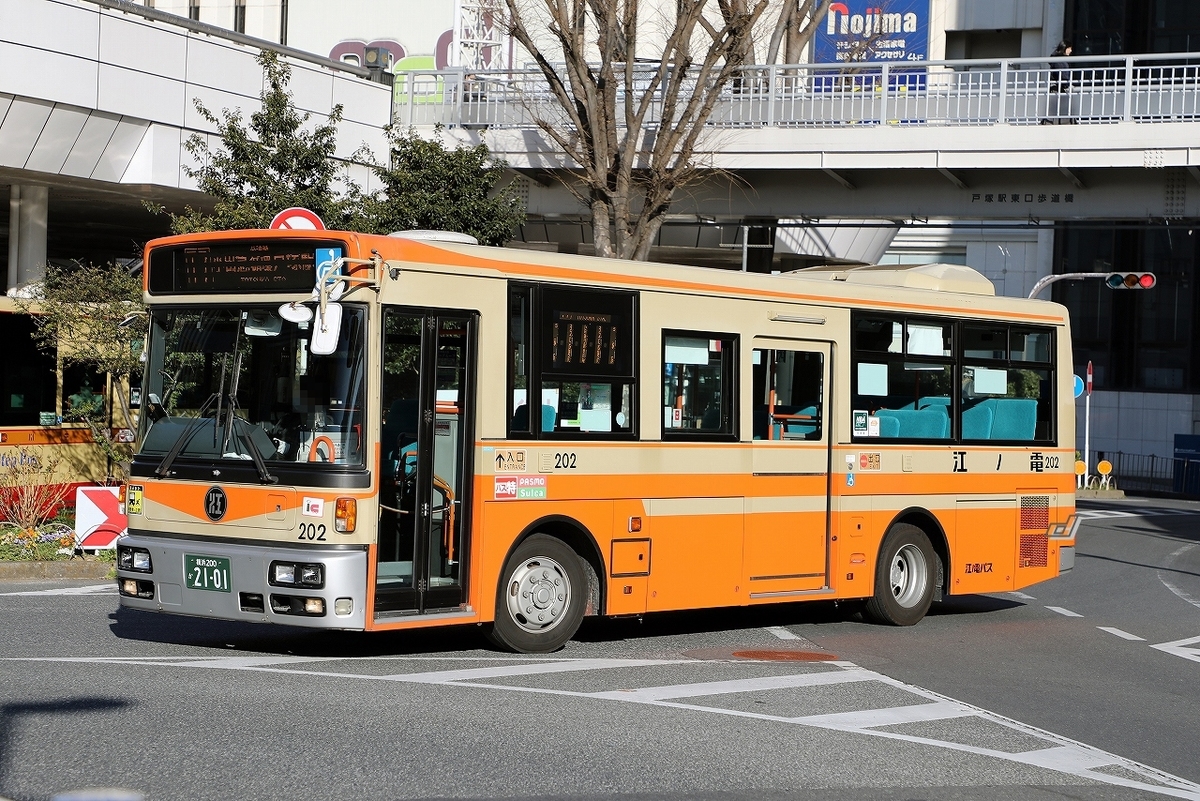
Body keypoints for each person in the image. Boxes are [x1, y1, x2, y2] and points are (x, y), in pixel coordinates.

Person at [1042, 40, 1074, 124]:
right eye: (1069, 48)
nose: (1071, 51)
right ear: (1065, 48)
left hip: (1056, 88)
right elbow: (1063, 76)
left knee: (1055, 111)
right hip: (1059, 88)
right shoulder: (1060, 60)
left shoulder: (1057, 59)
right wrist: (1067, 85)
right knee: (1060, 110)